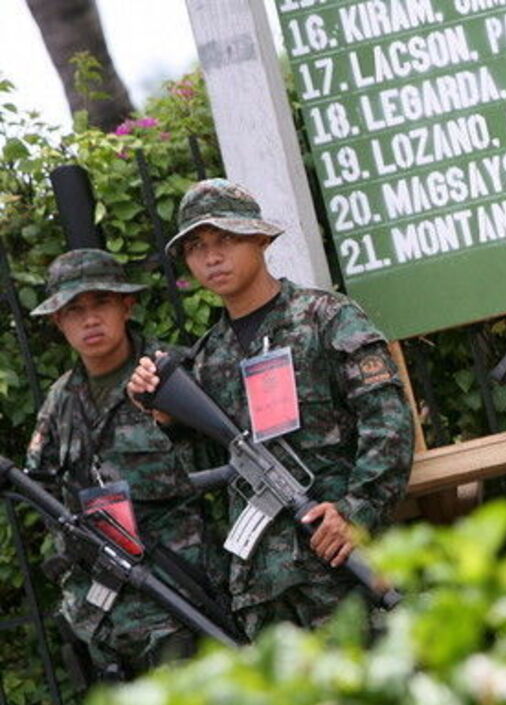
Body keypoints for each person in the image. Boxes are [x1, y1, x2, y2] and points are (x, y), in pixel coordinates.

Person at [128, 179, 413, 636]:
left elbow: (389, 424)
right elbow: (200, 474)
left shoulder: (326, 317)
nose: (212, 256)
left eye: (225, 239)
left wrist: (355, 511)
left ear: (260, 238)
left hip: (339, 564)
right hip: (261, 589)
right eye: (197, 246)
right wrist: (165, 418)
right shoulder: (206, 358)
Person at [26, 249, 217, 678]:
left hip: (182, 597)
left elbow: (231, 459)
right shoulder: (60, 403)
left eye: (101, 304)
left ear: (126, 305)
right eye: (75, 310)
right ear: (58, 321)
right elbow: (47, 499)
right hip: (104, 616)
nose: (89, 320)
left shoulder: (173, 376)